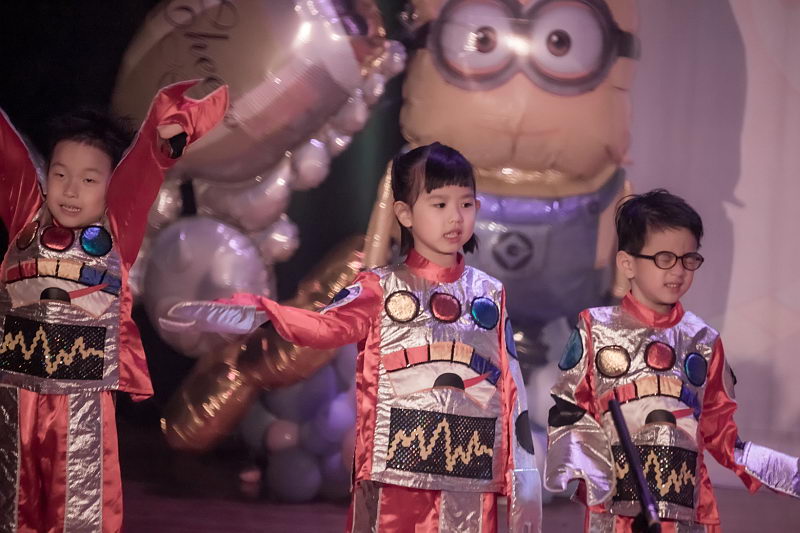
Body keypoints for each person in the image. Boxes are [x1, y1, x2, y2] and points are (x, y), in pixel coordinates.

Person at [162, 142, 541, 532]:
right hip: (398, 476)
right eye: (439, 204)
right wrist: (257, 311)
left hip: (469, 476)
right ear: (404, 213)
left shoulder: (488, 293)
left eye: (465, 204)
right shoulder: (380, 288)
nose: (455, 217)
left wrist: (523, 475)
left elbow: (510, 388)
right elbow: (325, 327)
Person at [0, 80, 228, 532]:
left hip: (81, 405)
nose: (70, 190)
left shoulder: (116, 228)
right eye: (60, 175)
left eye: (88, 180)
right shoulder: (26, 216)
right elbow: (7, 152)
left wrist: (164, 142)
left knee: (79, 514)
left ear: (109, 187)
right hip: (16, 401)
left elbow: (143, 170)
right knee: (13, 510)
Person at [544, 189, 799, 532]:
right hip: (615, 513)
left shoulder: (703, 341)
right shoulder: (595, 328)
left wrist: (792, 473)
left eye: (688, 259)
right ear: (627, 263)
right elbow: (568, 410)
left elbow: (722, 436)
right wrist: (586, 466)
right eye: (665, 258)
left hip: (687, 512)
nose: (678, 271)